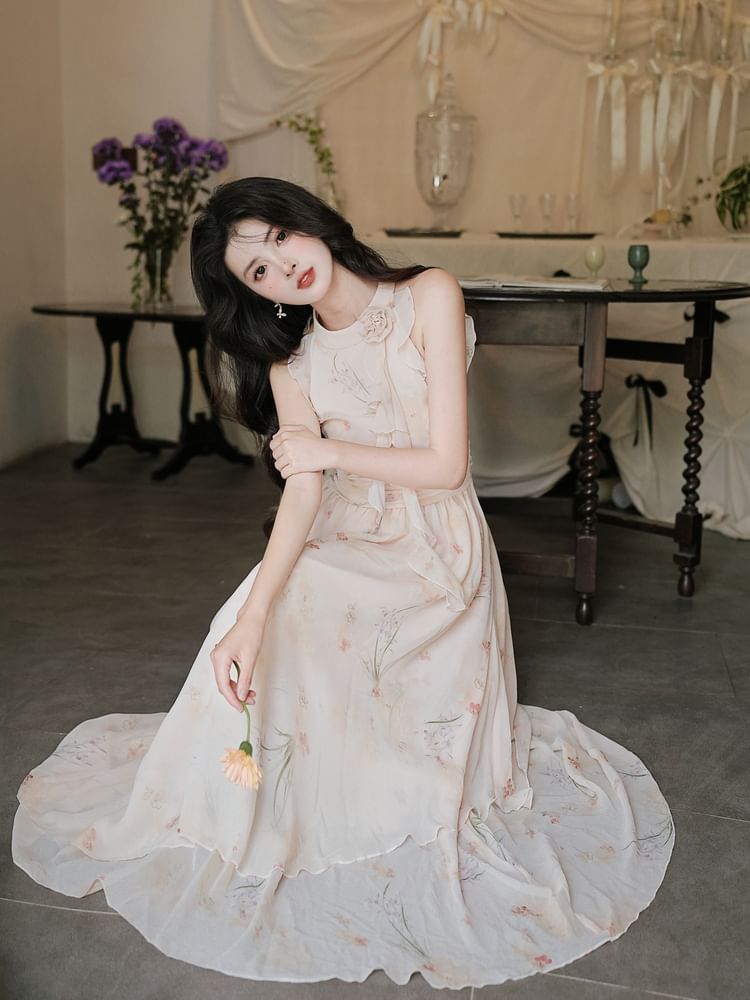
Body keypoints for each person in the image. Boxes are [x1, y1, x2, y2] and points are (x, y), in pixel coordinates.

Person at [12, 177, 674, 990]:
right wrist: (253, 615)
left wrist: (327, 451)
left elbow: (447, 464)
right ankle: (261, 797)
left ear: (307, 220)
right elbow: (304, 494)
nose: (282, 267)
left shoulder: (428, 294)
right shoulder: (291, 359)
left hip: (436, 547)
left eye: (278, 239)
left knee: (323, 622)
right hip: (346, 526)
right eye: (258, 271)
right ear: (255, 295)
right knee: (258, 616)